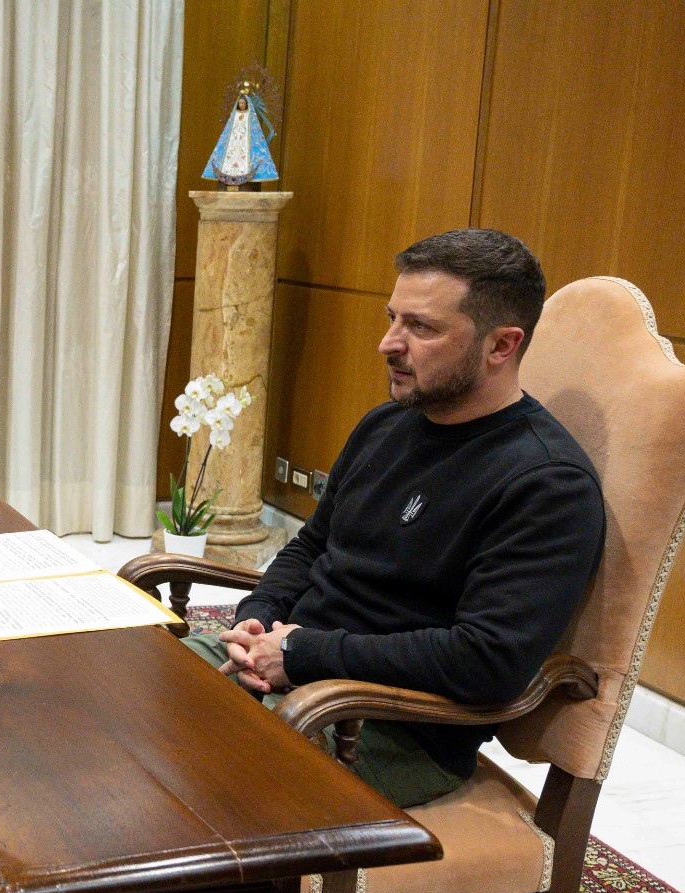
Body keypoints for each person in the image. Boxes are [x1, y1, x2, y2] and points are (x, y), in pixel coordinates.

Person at [182, 228, 605, 808]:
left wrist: (303, 654)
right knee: (117, 696)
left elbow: (487, 660)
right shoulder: (386, 425)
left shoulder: (547, 484)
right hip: (295, 676)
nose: (388, 343)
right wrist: (259, 621)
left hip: (386, 727)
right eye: (392, 318)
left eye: (421, 327)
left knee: (174, 777)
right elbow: (311, 547)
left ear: (501, 345)